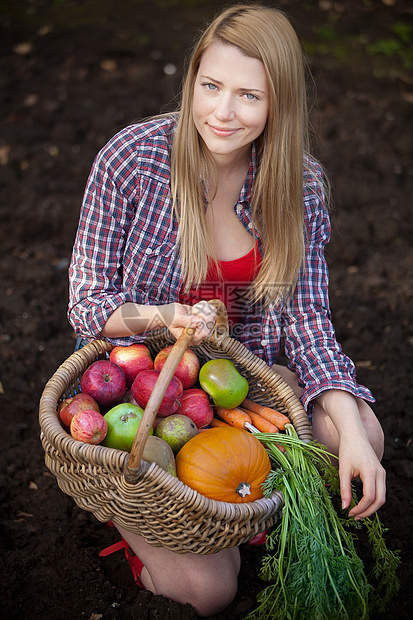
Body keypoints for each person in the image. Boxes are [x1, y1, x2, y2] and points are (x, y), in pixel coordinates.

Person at [68, 4, 385, 616]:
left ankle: (240, 516)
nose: (222, 112)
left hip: (245, 390)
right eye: (210, 86)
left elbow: (308, 326)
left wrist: (350, 433)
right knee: (209, 595)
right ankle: (145, 519)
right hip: (147, 394)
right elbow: (87, 304)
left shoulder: (300, 184)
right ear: (191, 81)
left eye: (249, 96)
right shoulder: (132, 161)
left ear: (279, 105)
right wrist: (165, 316)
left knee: (361, 433)